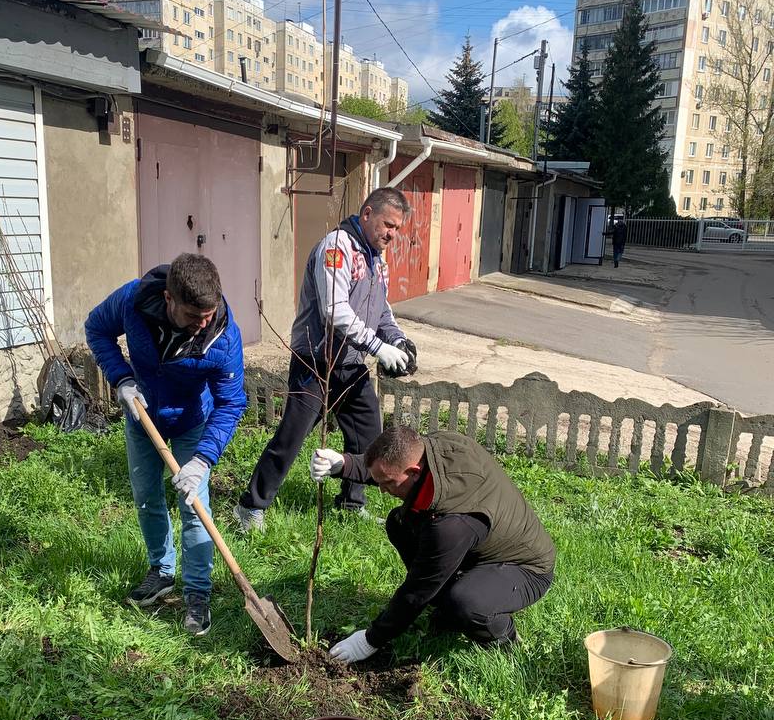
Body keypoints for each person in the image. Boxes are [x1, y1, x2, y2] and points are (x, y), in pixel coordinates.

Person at [234, 187, 418, 531]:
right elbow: (335, 312)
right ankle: (250, 507)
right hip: (315, 362)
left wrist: (397, 339)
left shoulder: (377, 258)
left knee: (368, 434)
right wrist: (378, 348)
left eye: (397, 229)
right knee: (292, 436)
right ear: (366, 214)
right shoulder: (337, 248)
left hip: (349, 364)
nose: (391, 234)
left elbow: (381, 311)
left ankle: (351, 503)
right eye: (387, 225)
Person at [85, 253, 245, 637]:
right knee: (146, 497)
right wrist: (121, 378)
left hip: (192, 421)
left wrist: (203, 460)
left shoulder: (222, 337)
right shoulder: (133, 301)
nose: (202, 324)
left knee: (194, 506)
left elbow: (232, 402)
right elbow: (96, 328)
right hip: (142, 416)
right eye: (194, 316)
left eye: (209, 314)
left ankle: (198, 593)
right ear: (169, 299)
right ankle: (162, 570)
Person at [310, 424, 555, 663]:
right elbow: (394, 463)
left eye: (388, 484)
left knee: (466, 603)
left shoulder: (452, 524)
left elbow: (417, 589)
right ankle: (447, 607)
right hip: (482, 544)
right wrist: (345, 464)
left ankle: (506, 644)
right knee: (400, 524)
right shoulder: (431, 448)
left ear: (415, 472)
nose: (382, 491)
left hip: (525, 568)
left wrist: (371, 640)